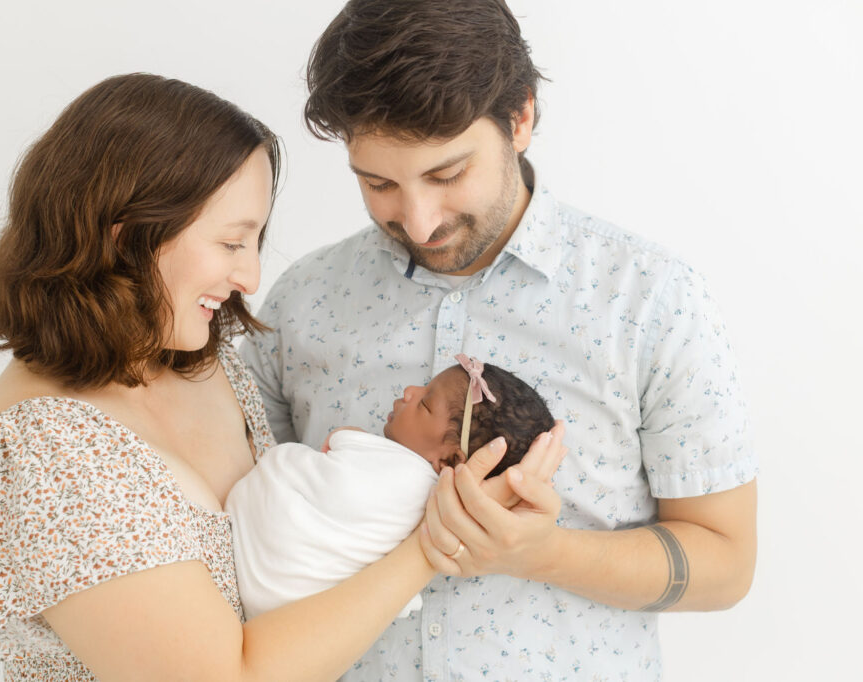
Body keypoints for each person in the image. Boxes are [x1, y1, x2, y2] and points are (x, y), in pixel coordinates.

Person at [0, 73, 566, 681]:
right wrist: (434, 543)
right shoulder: (51, 447)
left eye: (256, 242)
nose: (249, 277)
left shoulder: (196, 365)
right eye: (230, 243)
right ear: (128, 238)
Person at [240, 1, 759, 679]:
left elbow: (725, 563)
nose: (419, 221)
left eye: (448, 175)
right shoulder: (302, 301)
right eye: (378, 183)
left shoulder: (651, 301)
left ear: (521, 117)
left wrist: (539, 553)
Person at [227, 355, 554, 620]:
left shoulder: (391, 467)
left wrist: (346, 436)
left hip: (251, 563)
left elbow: (303, 471)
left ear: (449, 460)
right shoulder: (441, 512)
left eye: (425, 403)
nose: (410, 391)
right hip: (291, 609)